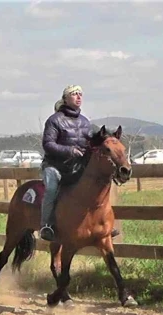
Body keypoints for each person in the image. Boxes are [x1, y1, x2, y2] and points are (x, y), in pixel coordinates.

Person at [39, 85, 120, 242]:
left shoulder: (85, 122)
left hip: (75, 166)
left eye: (80, 94)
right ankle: (46, 225)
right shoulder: (54, 120)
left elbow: (89, 143)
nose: (78, 97)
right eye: (74, 94)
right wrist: (69, 151)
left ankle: (103, 224)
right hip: (54, 165)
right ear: (65, 98)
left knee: (96, 186)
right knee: (51, 189)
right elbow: (48, 144)